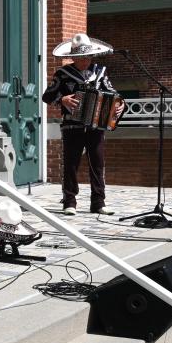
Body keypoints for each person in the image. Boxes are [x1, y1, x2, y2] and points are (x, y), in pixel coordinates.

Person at [42, 33, 124, 216]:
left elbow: (113, 93)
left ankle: (98, 203)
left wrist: (120, 104)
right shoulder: (62, 75)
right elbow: (47, 96)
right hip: (72, 126)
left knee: (97, 163)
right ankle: (69, 202)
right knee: (71, 164)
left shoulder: (100, 72)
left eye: (88, 57)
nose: (85, 61)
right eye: (81, 58)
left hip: (96, 127)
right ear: (72, 57)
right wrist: (62, 99)